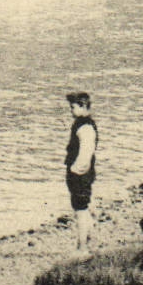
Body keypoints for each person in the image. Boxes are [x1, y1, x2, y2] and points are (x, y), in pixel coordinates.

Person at [63, 91, 98, 259]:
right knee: (82, 208)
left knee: (81, 210)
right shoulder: (83, 124)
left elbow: (86, 153)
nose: (71, 111)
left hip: (80, 175)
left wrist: (74, 170)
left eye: (73, 107)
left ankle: (83, 248)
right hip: (81, 174)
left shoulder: (85, 127)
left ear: (83, 106)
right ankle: (86, 243)